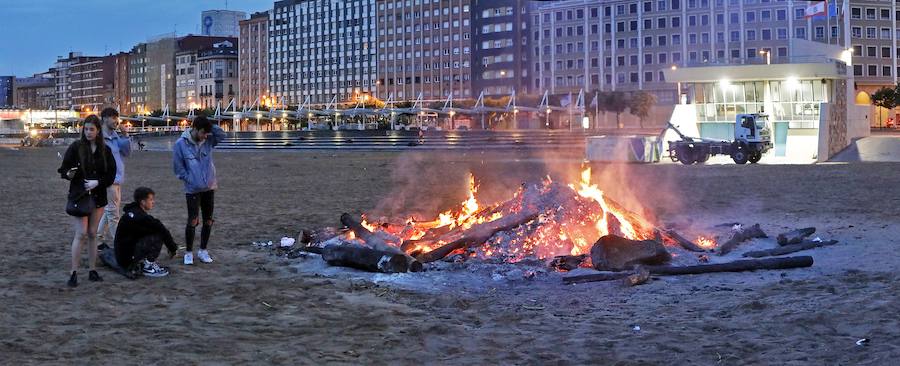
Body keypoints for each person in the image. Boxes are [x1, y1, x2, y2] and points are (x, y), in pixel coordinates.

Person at [58, 115, 117, 287]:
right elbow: (64, 169)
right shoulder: (76, 147)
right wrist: (68, 174)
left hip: (98, 196)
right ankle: (74, 272)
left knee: (93, 233)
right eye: (86, 129)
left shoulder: (105, 151)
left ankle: (92, 270)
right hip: (80, 195)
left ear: (98, 131)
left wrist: (98, 182)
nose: (89, 132)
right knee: (81, 233)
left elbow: (111, 175)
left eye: (92, 129)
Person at [173, 116, 226, 265]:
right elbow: (178, 168)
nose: (204, 136)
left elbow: (223, 135)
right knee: (193, 220)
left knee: (208, 220)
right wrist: (190, 179)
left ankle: (203, 250)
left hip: (209, 186)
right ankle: (189, 252)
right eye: (202, 132)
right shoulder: (180, 144)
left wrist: (209, 124)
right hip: (192, 189)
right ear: (194, 128)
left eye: (206, 133)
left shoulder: (208, 140)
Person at [114, 187, 177, 278]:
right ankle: (148, 267)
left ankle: (144, 263)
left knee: (153, 232)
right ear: (143, 202)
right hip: (126, 259)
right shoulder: (141, 217)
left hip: (121, 255)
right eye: (150, 199)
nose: (153, 202)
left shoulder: (132, 212)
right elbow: (161, 229)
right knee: (158, 235)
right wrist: (173, 248)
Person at [97, 107, 131, 248]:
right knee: (113, 213)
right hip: (108, 180)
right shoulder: (99, 138)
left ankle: (98, 238)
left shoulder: (116, 137)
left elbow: (127, 152)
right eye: (112, 117)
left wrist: (125, 135)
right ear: (104, 118)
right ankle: (120, 245)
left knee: (110, 210)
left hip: (117, 179)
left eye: (117, 117)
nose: (116, 120)